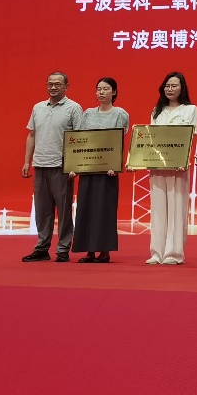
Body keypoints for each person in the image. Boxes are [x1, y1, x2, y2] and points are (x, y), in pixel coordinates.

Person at [22, 71, 84, 262]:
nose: (53, 87)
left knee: (64, 210)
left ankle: (63, 249)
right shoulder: (38, 107)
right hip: (40, 164)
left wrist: (74, 165)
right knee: (42, 210)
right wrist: (27, 161)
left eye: (58, 84)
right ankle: (42, 247)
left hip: (62, 166)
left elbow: (80, 138)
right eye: (50, 84)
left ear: (66, 86)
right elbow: (31, 135)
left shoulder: (74, 108)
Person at [70, 78, 130, 263]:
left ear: (114, 92)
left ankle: (104, 251)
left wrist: (115, 165)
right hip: (88, 168)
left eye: (106, 89)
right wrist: (74, 166)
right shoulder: (87, 113)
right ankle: (89, 251)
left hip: (107, 170)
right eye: (98, 89)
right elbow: (81, 139)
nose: (101, 92)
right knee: (86, 208)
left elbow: (118, 142)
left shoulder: (120, 114)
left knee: (104, 210)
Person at [149, 72, 197, 265]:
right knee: (158, 210)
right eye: (167, 86)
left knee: (177, 208)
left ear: (182, 88)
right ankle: (157, 252)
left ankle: (174, 253)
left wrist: (183, 159)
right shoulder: (157, 111)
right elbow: (151, 138)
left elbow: (191, 137)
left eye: (174, 86)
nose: (170, 89)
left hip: (179, 166)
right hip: (158, 166)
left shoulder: (190, 109)